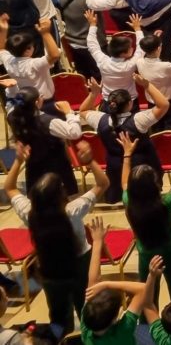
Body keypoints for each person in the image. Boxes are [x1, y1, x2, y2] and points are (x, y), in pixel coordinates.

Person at [3, 142, 109, 336]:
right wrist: (90, 161)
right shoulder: (72, 210)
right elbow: (103, 184)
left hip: (49, 268)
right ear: (61, 195)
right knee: (87, 310)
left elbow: (9, 188)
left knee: (58, 317)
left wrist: (18, 162)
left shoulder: (30, 213)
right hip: (79, 264)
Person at [120, 136, 171, 305]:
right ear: (155, 186)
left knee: (147, 298)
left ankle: (148, 329)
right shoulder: (166, 202)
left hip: (146, 255)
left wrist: (127, 155)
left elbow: (124, 184)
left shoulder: (129, 201)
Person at [79, 217, 157, 345]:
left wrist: (97, 242)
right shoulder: (124, 330)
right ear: (114, 320)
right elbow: (143, 289)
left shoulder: (88, 330)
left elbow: (93, 283)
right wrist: (107, 284)